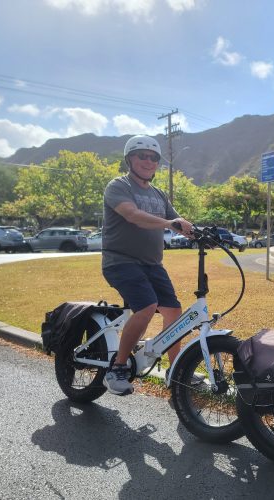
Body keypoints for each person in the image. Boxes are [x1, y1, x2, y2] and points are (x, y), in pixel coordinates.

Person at [101, 135, 194, 396]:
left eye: (153, 158)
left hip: (152, 264)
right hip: (120, 261)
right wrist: (168, 223)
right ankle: (117, 368)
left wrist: (200, 233)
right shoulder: (119, 186)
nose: (148, 161)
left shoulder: (158, 194)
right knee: (147, 306)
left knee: (174, 312)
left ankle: (176, 370)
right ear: (129, 159)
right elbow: (132, 215)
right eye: (142, 155)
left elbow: (178, 221)